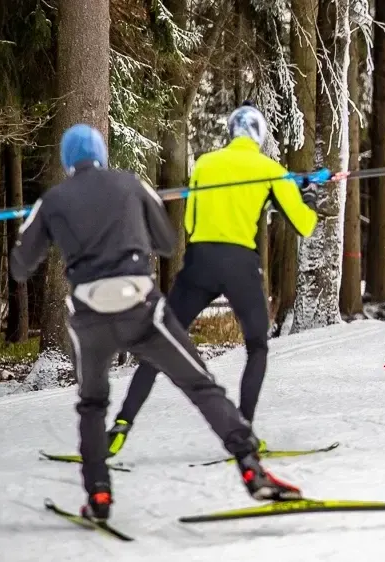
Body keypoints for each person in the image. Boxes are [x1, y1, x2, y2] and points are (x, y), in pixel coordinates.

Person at [9, 124, 301, 522]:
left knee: (92, 404)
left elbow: (21, 266)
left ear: (66, 160)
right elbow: (166, 243)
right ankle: (250, 465)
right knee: (200, 383)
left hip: (90, 317)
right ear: (101, 154)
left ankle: (97, 495)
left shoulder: (53, 200)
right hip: (142, 309)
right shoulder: (131, 183)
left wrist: (43, 223)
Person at [107, 102, 320, 455]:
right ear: (258, 136)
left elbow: (190, 222)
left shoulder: (206, 163)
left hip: (199, 263)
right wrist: (308, 197)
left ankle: (120, 426)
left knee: (160, 344)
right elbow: (305, 224)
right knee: (257, 346)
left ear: (231, 133)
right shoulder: (271, 169)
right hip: (240, 265)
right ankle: (243, 434)